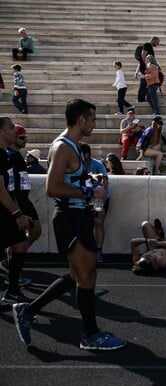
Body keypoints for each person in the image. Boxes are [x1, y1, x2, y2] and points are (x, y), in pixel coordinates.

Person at [12, 99, 126, 350]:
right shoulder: (63, 147)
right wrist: (88, 193)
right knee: (87, 278)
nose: (95, 124)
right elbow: (53, 188)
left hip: (77, 218)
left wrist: (89, 179)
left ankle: (28, 310)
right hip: (70, 220)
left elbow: (70, 180)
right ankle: (91, 335)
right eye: (93, 119)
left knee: (77, 275)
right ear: (81, 120)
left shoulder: (72, 146)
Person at [3, 125, 42, 288]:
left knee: (34, 232)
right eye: (22, 137)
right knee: (23, 239)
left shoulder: (16, 156)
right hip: (17, 202)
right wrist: (17, 211)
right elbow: (7, 185)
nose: (25, 140)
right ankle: (11, 269)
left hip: (23, 200)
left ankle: (10, 265)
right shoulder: (9, 156)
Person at [0, 118, 34, 305]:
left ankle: (12, 290)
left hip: (9, 210)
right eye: (11, 127)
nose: (15, 130)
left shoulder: (6, 154)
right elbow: (0, 190)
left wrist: (18, 212)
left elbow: (9, 188)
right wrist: (17, 214)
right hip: (3, 212)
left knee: (20, 244)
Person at [80, 142, 109, 263]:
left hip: (98, 197)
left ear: (86, 155)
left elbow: (105, 184)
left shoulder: (97, 164)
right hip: (83, 197)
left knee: (98, 221)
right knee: (83, 224)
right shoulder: (76, 165)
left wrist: (99, 201)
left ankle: (98, 250)